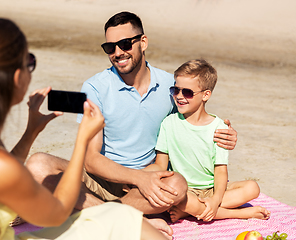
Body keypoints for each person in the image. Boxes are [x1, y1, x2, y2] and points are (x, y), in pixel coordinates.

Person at [0, 18, 169, 240]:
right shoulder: (2, 168)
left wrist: (31, 132)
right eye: (30, 61)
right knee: (125, 219)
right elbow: (56, 211)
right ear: (17, 77)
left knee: (118, 216)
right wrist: (82, 140)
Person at [26, 11, 238, 239]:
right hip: (100, 180)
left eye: (125, 44)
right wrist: (137, 178)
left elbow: (195, 118)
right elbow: (90, 159)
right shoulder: (95, 87)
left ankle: (100, 212)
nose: (117, 53)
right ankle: (126, 218)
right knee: (38, 166)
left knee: (177, 184)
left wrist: (226, 133)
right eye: (110, 47)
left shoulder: (170, 85)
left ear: (143, 42)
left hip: (146, 183)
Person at [149, 59, 270, 222]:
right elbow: (160, 165)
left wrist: (214, 200)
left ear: (206, 95)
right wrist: (135, 176)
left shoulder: (219, 128)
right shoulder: (168, 124)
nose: (179, 96)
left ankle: (192, 211)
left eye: (187, 92)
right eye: (175, 90)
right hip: (184, 191)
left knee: (252, 188)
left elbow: (220, 171)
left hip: (213, 188)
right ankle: (239, 213)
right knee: (176, 197)